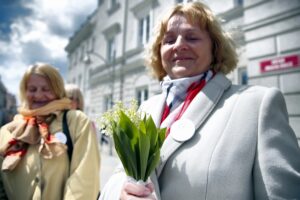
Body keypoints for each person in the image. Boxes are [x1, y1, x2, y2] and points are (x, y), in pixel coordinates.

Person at [100, 2, 300, 200]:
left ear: (215, 47)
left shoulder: (257, 104)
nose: (178, 45)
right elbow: (120, 173)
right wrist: (121, 193)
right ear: (159, 52)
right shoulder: (146, 107)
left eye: (192, 37)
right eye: (169, 40)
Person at [0, 63, 100, 200]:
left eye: (46, 89)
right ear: (24, 91)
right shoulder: (8, 131)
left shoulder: (76, 122)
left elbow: (84, 179)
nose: (39, 95)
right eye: (32, 89)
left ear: (58, 90)